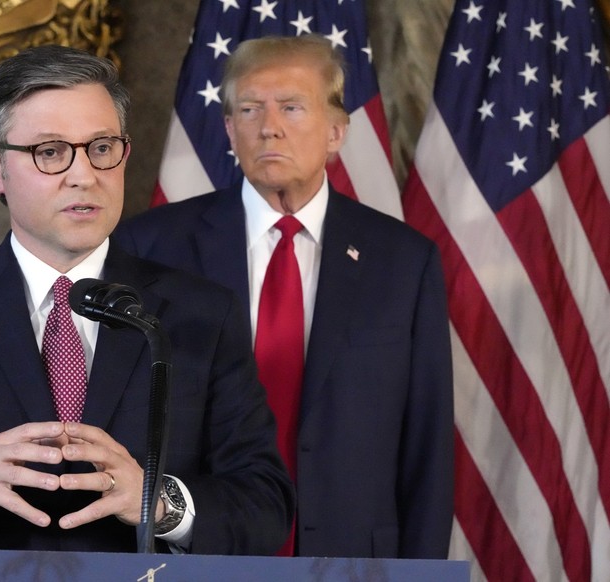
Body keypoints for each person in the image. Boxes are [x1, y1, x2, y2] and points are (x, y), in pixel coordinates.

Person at [0, 45, 294, 555]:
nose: (84, 175)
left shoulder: (200, 314)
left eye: (102, 147)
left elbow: (265, 510)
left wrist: (160, 503)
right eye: (50, 152)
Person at [115, 35, 454, 559]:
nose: (268, 126)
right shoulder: (154, 247)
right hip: (198, 551)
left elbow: (427, 445)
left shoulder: (404, 261)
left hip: (354, 559)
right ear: (228, 129)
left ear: (337, 131)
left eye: (292, 108)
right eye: (249, 109)